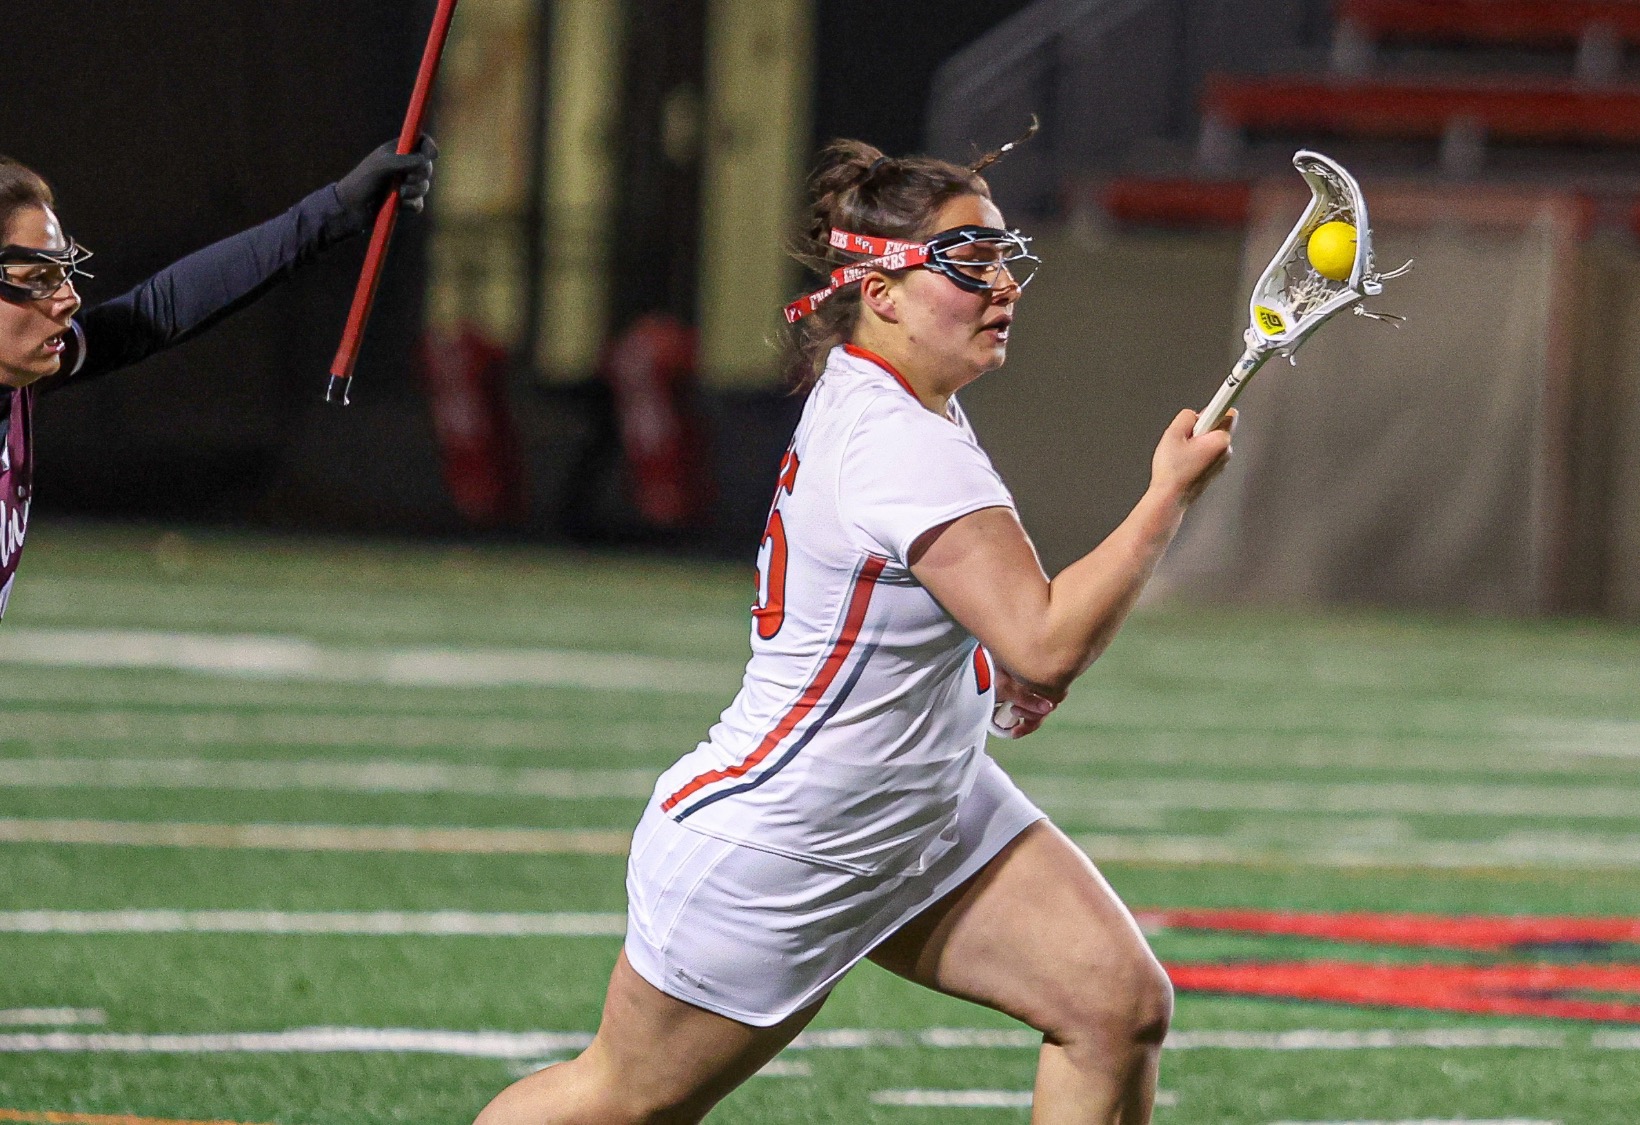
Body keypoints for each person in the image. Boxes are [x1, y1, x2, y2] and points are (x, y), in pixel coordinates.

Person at [475, 133, 1233, 1125]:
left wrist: (978, 663)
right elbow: (1046, 641)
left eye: (1004, 257)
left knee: (1113, 1007)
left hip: (913, 806)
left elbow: (904, 598)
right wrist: (1167, 498)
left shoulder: (886, 390)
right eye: (970, 262)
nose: (1004, 285)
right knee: (620, 1099)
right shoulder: (899, 437)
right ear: (881, 292)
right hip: (790, 840)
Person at [0, 138, 437, 618]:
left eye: (64, 272)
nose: (69, 298)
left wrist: (335, 210)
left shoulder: (20, 380)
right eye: (37, 279)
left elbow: (158, 309)